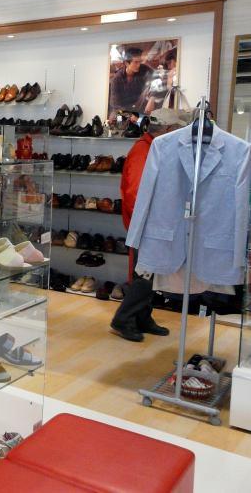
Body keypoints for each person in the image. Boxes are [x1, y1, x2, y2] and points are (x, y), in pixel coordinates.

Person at [111, 118, 170, 342]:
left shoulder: (152, 149)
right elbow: (135, 192)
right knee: (144, 273)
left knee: (149, 272)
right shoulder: (142, 151)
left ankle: (142, 317)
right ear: (166, 129)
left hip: (150, 223)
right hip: (145, 225)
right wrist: (147, 224)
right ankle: (123, 319)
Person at [109, 47, 153, 112]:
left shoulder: (143, 69)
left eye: (140, 62)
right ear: (126, 63)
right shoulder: (117, 79)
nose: (138, 65)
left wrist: (152, 98)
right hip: (124, 111)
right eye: (136, 62)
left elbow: (156, 78)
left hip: (140, 108)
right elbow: (116, 105)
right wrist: (129, 115)